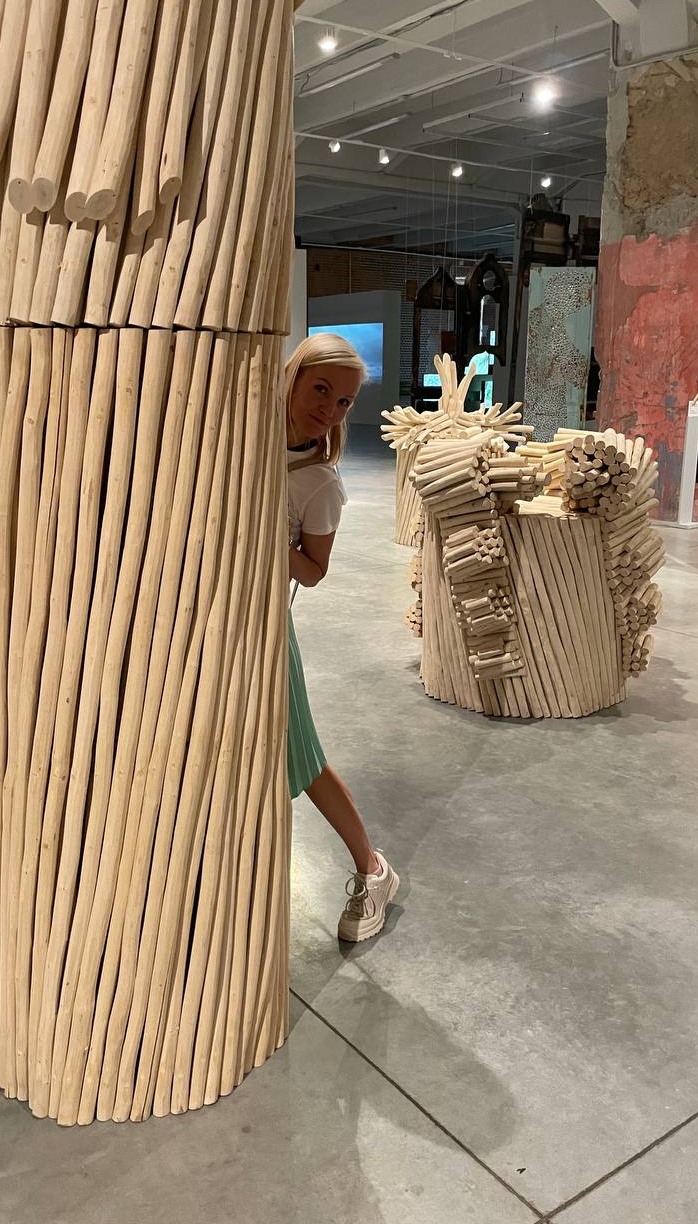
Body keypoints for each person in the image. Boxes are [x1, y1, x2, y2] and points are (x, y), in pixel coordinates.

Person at [285, 333, 400, 943]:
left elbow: (313, 571)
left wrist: (263, 536)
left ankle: (371, 868)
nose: (328, 409)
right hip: (195, 621)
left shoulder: (319, 482)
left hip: (263, 630)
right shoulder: (237, 444)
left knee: (301, 756)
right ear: (292, 379)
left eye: (344, 401)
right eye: (321, 389)